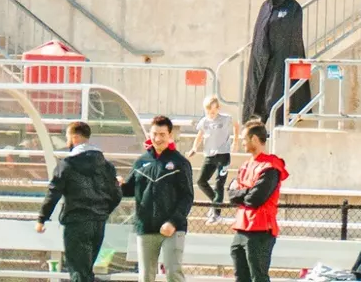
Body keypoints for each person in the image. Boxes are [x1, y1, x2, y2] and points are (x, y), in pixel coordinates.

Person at [35, 121, 121, 282]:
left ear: (74, 137)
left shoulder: (67, 165)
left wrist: (42, 218)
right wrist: (102, 211)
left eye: (67, 137)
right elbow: (116, 195)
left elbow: (53, 193)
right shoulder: (106, 166)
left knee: (79, 272)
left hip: (77, 223)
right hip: (98, 224)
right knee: (86, 272)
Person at [121, 114, 195, 282]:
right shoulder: (141, 162)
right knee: (145, 276)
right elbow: (130, 189)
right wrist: (118, 186)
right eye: (154, 134)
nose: (158, 138)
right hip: (146, 227)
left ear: (170, 135)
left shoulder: (180, 163)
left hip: (172, 229)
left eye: (162, 134)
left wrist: (173, 222)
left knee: (173, 273)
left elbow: (187, 197)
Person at [241, 0, 308, 125]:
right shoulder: (266, 6)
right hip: (263, 58)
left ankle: (277, 127)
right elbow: (259, 31)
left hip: (281, 58)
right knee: (258, 92)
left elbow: (293, 35)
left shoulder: (293, 7)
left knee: (276, 95)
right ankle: (256, 128)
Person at [227, 121, 288, 282]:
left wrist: (241, 192)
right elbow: (231, 194)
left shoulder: (271, 166)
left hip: (260, 230)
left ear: (254, 139)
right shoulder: (246, 165)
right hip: (241, 229)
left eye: (244, 138)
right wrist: (247, 191)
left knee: (258, 277)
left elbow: (255, 199)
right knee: (241, 277)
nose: (242, 142)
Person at [191, 96, 237, 224]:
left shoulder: (225, 119)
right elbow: (200, 135)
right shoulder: (204, 121)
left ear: (218, 109)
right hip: (210, 155)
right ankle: (215, 202)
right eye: (208, 112)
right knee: (201, 181)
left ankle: (216, 214)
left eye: (213, 111)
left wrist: (235, 141)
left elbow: (236, 124)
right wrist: (194, 148)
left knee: (219, 184)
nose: (211, 114)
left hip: (223, 155)